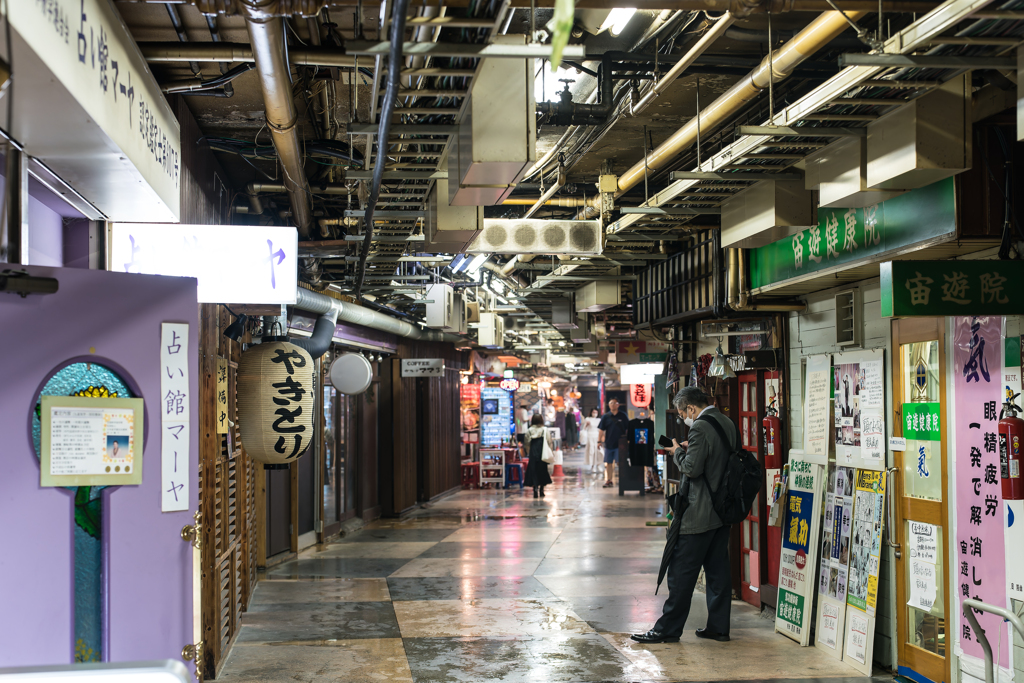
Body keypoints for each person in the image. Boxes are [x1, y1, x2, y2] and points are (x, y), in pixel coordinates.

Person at [632, 386, 737, 644]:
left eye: (682, 413)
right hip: (722, 512)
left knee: (681, 573)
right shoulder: (726, 421)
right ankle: (718, 627)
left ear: (691, 408)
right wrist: (692, 448)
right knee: (718, 573)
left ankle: (667, 630)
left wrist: (677, 451)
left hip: (698, 512)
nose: (683, 418)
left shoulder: (700, 426)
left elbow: (691, 468)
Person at [597, 399, 629, 488]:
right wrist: (599, 441)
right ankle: (609, 480)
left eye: (614, 403)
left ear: (618, 405)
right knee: (609, 463)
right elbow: (601, 430)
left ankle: (623, 479)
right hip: (609, 443)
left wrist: (629, 440)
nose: (612, 405)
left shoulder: (623, 415)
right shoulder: (606, 416)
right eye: (611, 403)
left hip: (621, 443)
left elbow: (628, 428)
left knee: (620, 462)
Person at [523, 414, 553, 498]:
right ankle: (542, 490)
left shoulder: (529, 430)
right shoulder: (544, 429)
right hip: (542, 452)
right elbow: (549, 441)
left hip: (533, 452)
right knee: (542, 470)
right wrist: (550, 451)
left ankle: (535, 489)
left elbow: (527, 442)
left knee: (533, 470)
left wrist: (529, 452)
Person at [582, 408, 602, 474]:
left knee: (599, 452)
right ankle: (593, 466)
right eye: (593, 412)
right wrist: (586, 425)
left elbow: (600, 429)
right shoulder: (588, 419)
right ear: (591, 412)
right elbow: (584, 428)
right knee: (592, 451)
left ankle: (598, 464)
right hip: (590, 436)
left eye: (596, 412)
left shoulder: (599, 420)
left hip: (597, 437)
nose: (595, 413)